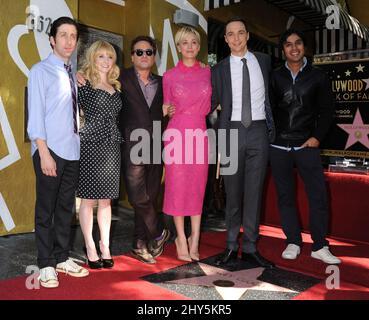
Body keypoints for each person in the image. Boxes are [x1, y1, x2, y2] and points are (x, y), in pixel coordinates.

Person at [269, 29, 341, 264]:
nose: (294, 48)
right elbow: (268, 109)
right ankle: (293, 241)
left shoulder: (318, 76)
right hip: (279, 147)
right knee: (285, 196)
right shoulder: (275, 76)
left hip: (306, 145)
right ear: (283, 50)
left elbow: (327, 111)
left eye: (298, 43)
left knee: (318, 196)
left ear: (304, 47)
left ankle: (320, 245)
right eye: (288, 44)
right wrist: (270, 137)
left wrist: (317, 137)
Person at [27, 16, 89, 289]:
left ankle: (62, 257)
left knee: (65, 208)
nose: (68, 41)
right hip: (49, 149)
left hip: (72, 150)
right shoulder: (40, 70)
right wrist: (44, 152)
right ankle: (45, 263)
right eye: (62, 35)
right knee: (46, 209)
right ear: (52, 39)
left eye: (72, 36)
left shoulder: (70, 73)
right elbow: (36, 115)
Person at [211, 17, 275, 268]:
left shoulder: (265, 61)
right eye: (230, 34)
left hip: (259, 131)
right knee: (233, 193)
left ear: (247, 35)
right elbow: (212, 103)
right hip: (231, 132)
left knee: (254, 193)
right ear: (225, 39)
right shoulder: (218, 70)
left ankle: (249, 247)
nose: (236, 38)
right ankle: (230, 246)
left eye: (240, 33)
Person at [162, 27, 211, 262]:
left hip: (200, 133)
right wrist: (165, 109)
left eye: (194, 42)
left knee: (197, 186)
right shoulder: (169, 75)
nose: (189, 46)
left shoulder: (208, 72)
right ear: (178, 47)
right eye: (184, 42)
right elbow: (165, 105)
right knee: (177, 186)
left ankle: (196, 237)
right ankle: (181, 237)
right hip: (176, 134)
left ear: (198, 46)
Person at [120, 36, 171, 264]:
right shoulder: (120, 78)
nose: (144, 56)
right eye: (139, 52)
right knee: (136, 195)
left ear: (154, 56)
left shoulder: (163, 83)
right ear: (132, 56)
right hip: (132, 145)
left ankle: (139, 244)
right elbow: (96, 78)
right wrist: (80, 76)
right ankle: (159, 232)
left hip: (155, 145)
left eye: (148, 52)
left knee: (149, 196)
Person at [76, 40, 123, 269]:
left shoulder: (117, 87)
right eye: (101, 56)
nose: (106, 61)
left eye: (110, 57)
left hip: (112, 145)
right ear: (93, 58)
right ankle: (90, 246)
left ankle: (105, 246)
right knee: (88, 200)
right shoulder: (83, 84)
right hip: (91, 143)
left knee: (106, 201)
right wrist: (75, 75)